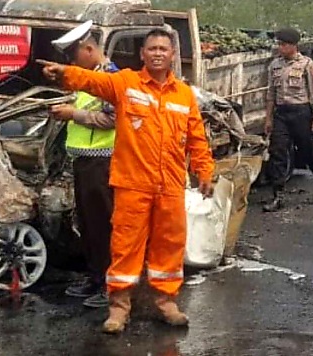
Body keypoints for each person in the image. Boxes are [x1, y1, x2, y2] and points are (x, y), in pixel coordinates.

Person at [40, 26, 215, 334]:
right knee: (125, 247)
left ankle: (167, 303)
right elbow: (94, 80)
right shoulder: (126, 83)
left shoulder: (184, 95)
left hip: (170, 185)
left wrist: (204, 170)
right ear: (142, 54)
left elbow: (197, 138)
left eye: (164, 48)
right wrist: (65, 72)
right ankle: (119, 309)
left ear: (173, 55)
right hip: (133, 183)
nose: (158, 53)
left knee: (169, 246)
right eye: (152, 49)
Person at [50, 21, 118, 309]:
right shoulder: (88, 78)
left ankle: (111, 284)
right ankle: (95, 277)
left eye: (73, 57)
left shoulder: (111, 78)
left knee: (103, 225)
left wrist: (73, 115)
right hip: (84, 160)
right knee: (88, 225)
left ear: (89, 50)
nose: (71, 64)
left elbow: (112, 118)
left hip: (102, 161)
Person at [264, 27, 313, 212]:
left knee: (308, 153)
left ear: (293, 46)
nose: (280, 48)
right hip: (281, 114)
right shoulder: (275, 65)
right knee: (277, 153)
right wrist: (269, 118)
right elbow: (271, 93)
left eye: (284, 44)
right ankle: (278, 195)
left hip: (301, 113)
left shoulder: (306, 64)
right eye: (279, 44)